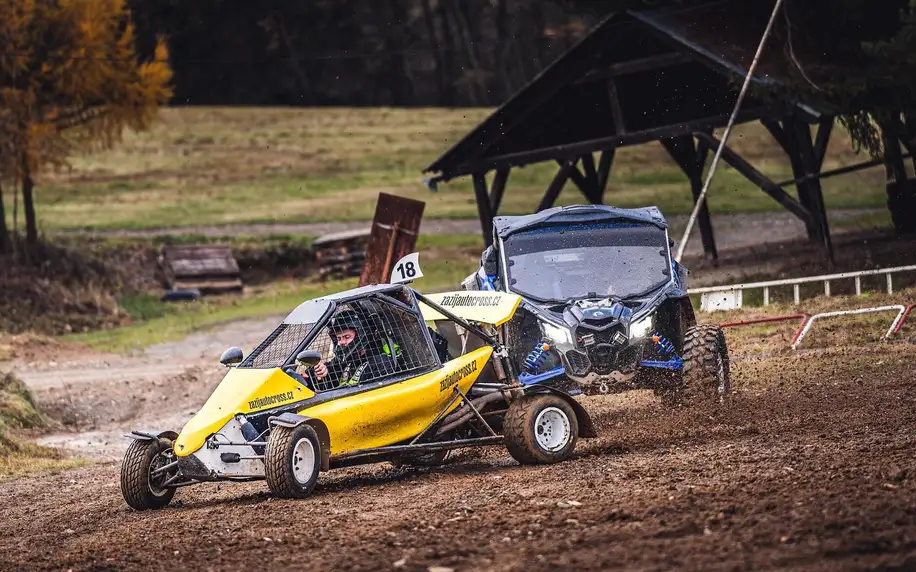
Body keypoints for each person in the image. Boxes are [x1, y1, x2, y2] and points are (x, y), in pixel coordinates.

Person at [301, 309, 400, 389]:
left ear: (361, 335)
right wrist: (319, 372)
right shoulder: (347, 360)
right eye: (339, 338)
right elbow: (325, 378)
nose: (341, 342)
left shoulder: (380, 363)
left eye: (346, 337)